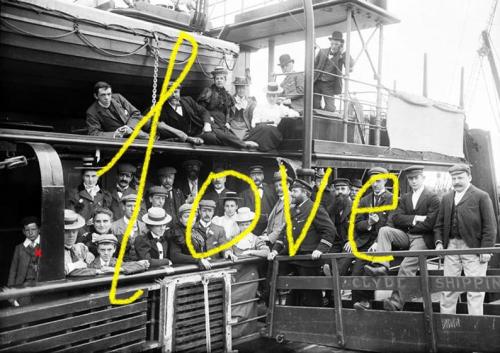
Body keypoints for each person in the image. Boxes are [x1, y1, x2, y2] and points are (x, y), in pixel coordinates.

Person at [364, 165, 440, 311]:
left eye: (416, 178)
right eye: (410, 179)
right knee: (385, 230)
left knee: (406, 266)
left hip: (422, 238)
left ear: (423, 178)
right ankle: (381, 265)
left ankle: (396, 301)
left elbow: (431, 223)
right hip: (406, 235)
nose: (413, 181)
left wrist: (410, 224)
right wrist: (416, 218)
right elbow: (397, 218)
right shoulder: (405, 197)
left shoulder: (432, 197)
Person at [435, 164, 497, 316]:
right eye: (454, 178)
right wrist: (439, 243)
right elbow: (439, 225)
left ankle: (475, 329)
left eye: (460, 177)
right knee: (449, 288)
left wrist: (486, 249)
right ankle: (447, 326)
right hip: (451, 247)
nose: (456, 181)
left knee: (475, 290)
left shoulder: (481, 196)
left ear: (469, 177)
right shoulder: (447, 198)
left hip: (474, 249)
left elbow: (490, 226)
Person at [268, 179, 337, 307]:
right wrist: (275, 250)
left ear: (305, 193)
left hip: (308, 259)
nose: (291, 194)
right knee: (283, 285)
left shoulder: (314, 208)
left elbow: (330, 230)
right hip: (293, 256)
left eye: (294, 191)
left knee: (311, 295)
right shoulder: (293, 210)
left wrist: (320, 249)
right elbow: (284, 233)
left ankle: (316, 322)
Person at [345, 168, 393, 310]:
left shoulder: (392, 198)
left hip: (383, 245)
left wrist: (378, 242)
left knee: (371, 272)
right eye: (372, 181)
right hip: (365, 244)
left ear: (385, 181)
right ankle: (356, 307)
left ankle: (368, 304)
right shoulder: (364, 200)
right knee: (356, 272)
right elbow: (358, 224)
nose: (375, 184)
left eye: (378, 181)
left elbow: (391, 223)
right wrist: (369, 223)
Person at [230, 207, 270, 338]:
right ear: (239, 225)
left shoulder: (256, 239)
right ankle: (234, 332)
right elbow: (226, 251)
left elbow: (266, 252)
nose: (245, 226)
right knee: (233, 298)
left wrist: (251, 252)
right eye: (242, 224)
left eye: (247, 223)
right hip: (236, 275)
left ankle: (246, 331)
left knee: (247, 300)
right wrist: (228, 253)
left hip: (251, 275)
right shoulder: (232, 239)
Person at [197, 67, 258, 149]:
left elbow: (228, 111)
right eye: (217, 78)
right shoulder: (208, 91)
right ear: (214, 80)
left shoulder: (227, 95)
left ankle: (235, 143)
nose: (219, 80)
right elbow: (201, 109)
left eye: (221, 78)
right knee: (218, 136)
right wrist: (207, 120)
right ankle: (243, 144)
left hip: (222, 123)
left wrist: (227, 122)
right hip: (211, 121)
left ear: (225, 80)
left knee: (224, 135)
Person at [247, 82, 300, 152]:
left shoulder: (280, 108)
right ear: (266, 96)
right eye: (269, 96)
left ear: (277, 97)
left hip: (274, 135)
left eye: (274, 96)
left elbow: (296, 114)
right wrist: (266, 122)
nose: (271, 99)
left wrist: (282, 118)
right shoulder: (260, 107)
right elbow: (254, 123)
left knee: (278, 128)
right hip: (261, 131)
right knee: (265, 129)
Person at [66, 158, 113, 228]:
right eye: (87, 176)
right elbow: (70, 219)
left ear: (98, 177)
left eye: (94, 176)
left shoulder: (105, 195)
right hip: (80, 232)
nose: (90, 180)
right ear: (82, 177)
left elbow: (107, 217)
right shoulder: (73, 194)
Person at [313, 31, 353, 112]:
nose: (333, 46)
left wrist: (344, 53)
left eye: (336, 44)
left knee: (330, 108)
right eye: (332, 44)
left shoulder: (342, 55)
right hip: (317, 82)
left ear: (341, 45)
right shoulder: (322, 51)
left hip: (329, 85)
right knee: (314, 106)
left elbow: (350, 65)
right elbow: (314, 64)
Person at [169, 203, 217, 270]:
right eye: (187, 216)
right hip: (184, 271)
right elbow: (175, 256)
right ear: (180, 219)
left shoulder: (197, 230)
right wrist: (198, 259)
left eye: (193, 216)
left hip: (201, 268)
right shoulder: (176, 233)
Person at [240, 165, 278, 236]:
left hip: (269, 230)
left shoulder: (272, 191)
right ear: (250, 177)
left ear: (263, 176)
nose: (256, 177)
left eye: (259, 174)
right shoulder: (243, 195)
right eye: (253, 175)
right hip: (251, 231)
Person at [111, 194, 148, 261]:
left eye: (135, 206)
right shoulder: (114, 226)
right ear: (123, 207)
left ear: (139, 208)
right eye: (129, 206)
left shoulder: (144, 227)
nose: (133, 209)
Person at [63, 209, 100, 277]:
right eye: (67, 231)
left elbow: (93, 263)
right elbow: (55, 273)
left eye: (74, 231)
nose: (71, 235)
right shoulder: (53, 252)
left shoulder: (80, 248)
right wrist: (74, 265)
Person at [260, 171, 292, 246]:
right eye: (276, 186)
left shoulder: (291, 200)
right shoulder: (280, 200)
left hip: (283, 243)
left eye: (281, 185)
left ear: (288, 185)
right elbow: (272, 222)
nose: (278, 188)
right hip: (275, 242)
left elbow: (286, 224)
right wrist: (265, 234)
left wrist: (270, 237)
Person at [7, 217, 41, 290]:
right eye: (27, 230)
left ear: (39, 229)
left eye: (33, 229)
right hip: (22, 287)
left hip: (41, 286)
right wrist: (10, 291)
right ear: (23, 232)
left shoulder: (45, 245)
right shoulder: (19, 248)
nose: (30, 233)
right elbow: (13, 270)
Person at [230, 76, 256, 140]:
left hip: (244, 127)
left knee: (243, 139)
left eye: (243, 88)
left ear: (246, 89)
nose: (241, 90)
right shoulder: (230, 99)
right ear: (236, 89)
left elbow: (252, 116)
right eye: (239, 88)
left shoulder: (250, 102)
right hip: (233, 125)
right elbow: (227, 113)